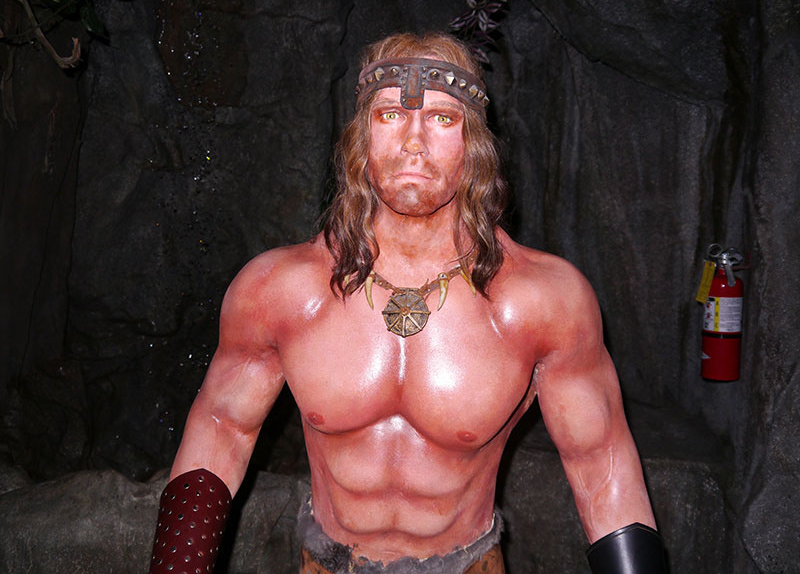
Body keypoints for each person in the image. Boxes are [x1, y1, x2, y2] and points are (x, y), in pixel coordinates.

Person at [149, 32, 667, 574]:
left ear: (474, 143)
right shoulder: (281, 291)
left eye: (442, 118)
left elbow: (599, 461)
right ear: (361, 136)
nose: (413, 141)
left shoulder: (541, 302)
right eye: (391, 114)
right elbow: (222, 427)